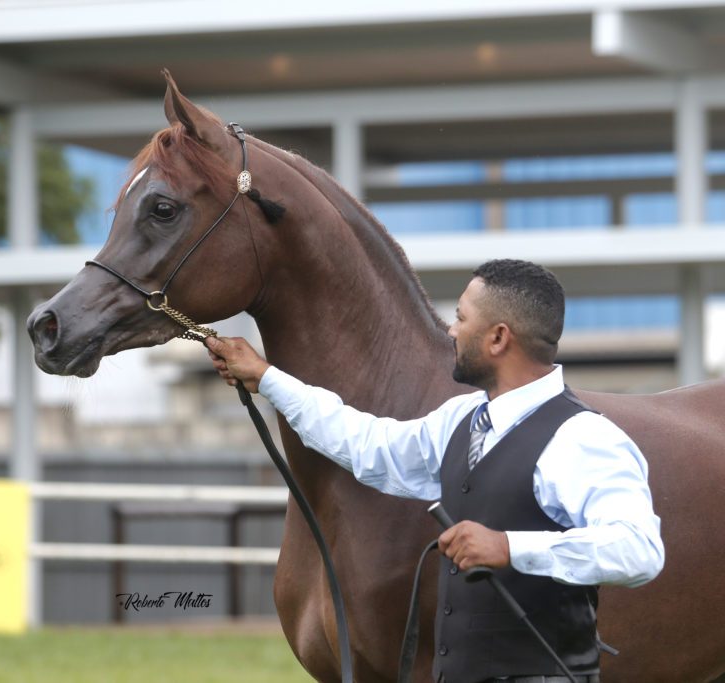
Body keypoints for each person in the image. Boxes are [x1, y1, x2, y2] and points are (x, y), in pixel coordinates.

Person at [205, 259, 664, 683]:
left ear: (499, 338)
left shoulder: (584, 438)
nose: (451, 330)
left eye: (462, 318)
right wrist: (266, 378)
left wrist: (509, 546)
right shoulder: (461, 418)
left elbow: (639, 550)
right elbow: (369, 445)